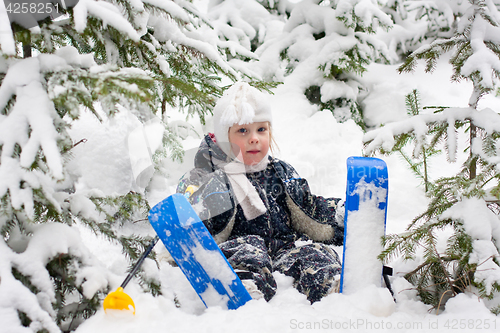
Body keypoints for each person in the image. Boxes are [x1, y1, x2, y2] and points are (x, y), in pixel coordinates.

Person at [176, 82, 344, 303]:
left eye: (261, 130)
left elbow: (308, 206)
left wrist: (340, 213)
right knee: (247, 250)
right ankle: (244, 290)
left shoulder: (280, 171)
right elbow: (193, 206)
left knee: (314, 254)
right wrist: (198, 196)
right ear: (224, 136)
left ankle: (329, 286)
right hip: (240, 248)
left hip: (283, 250)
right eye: (243, 131)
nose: (254, 138)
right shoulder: (208, 175)